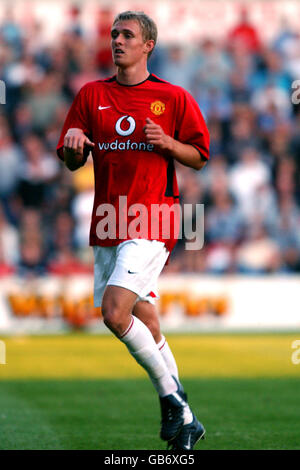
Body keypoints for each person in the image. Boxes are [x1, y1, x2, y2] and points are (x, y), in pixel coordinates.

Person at [57, 10, 209, 450]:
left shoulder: (173, 97)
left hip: (153, 218)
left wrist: (168, 143)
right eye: (114, 34)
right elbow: (71, 160)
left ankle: (173, 401)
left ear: (148, 46)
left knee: (114, 311)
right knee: (145, 319)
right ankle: (188, 420)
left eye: (127, 35)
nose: (117, 41)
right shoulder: (91, 95)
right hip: (109, 220)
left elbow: (199, 154)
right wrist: (71, 150)